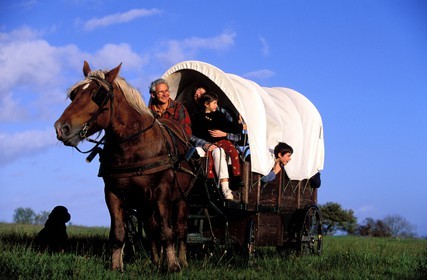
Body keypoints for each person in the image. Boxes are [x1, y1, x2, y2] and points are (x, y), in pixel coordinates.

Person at [191, 92, 245, 200]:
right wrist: (205, 144)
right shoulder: (197, 117)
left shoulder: (219, 115)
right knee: (198, 152)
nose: (216, 105)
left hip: (218, 145)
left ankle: (225, 187)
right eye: (214, 103)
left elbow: (230, 127)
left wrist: (239, 126)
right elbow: (193, 135)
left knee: (218, 152)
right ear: (206, 104)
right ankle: (200, 183)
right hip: (204, 144)